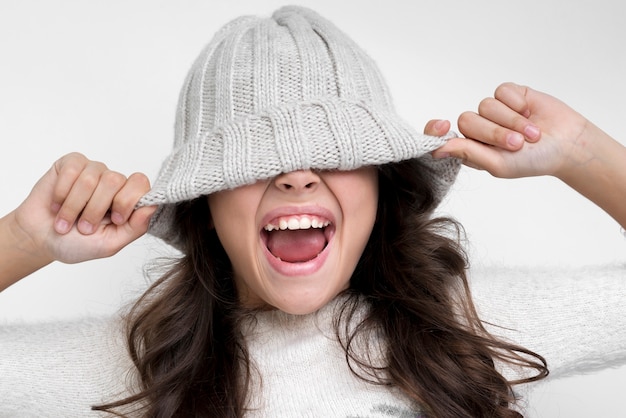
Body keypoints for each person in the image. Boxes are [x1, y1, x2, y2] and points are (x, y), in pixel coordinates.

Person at [1, 6, 625, 418]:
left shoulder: (463, 332)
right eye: (255, 159)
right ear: (206, 203)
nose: (297, 174)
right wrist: (27, 238)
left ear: (382, 185)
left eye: (337, 153)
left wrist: (585, 155)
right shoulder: (144, 361)